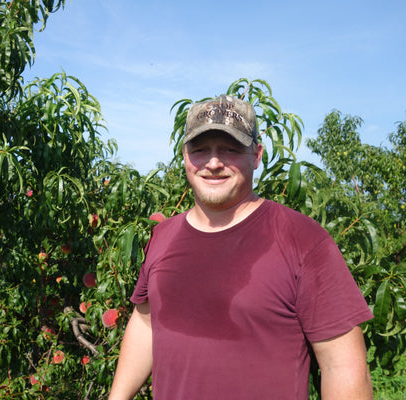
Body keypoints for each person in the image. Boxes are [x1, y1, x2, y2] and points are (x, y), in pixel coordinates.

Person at [107, 95, 374, 400]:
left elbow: (343, 366)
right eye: (200, 150)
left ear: (257, 155)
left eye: (230, 149)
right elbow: (146, 323)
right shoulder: (163, 237)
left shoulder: (303, 240)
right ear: (184, 156)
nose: (213, 163)